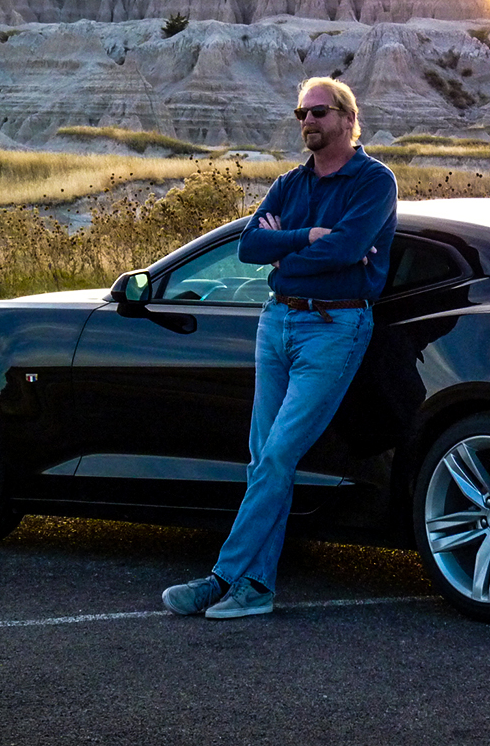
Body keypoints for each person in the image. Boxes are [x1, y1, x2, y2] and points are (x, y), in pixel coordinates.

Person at [161, 76, 398, 619]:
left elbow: (352, 247)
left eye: (318, 112)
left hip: (335, 328)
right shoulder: (292, 183)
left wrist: (289, 253)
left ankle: (221, 577)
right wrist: (304, 240)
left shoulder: (373, 181)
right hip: (277, 323)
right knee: (262, 460)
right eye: (301, 114)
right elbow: (249, 246)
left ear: (346, 117)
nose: (308, 122)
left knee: (277, 455)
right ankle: (257, 589)